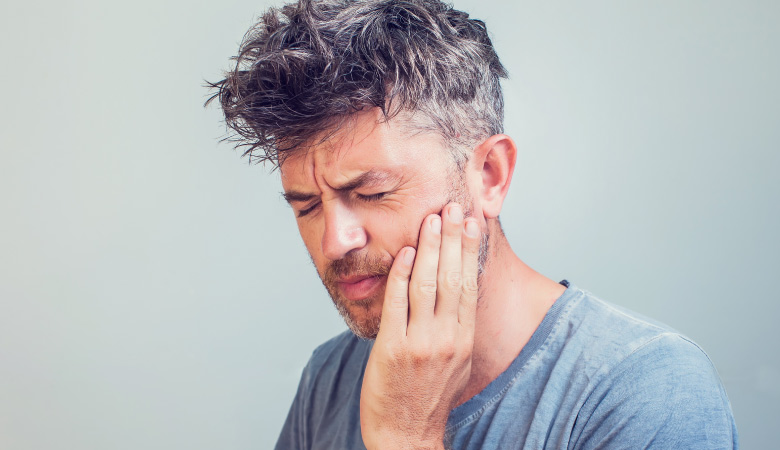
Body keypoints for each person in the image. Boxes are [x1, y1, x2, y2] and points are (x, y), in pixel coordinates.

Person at [208, 0, 738, 448]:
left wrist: (406, 435)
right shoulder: (330, 375)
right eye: (306, 206)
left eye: (371, 192)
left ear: (489, 174)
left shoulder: (646, 390)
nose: (334, 240)